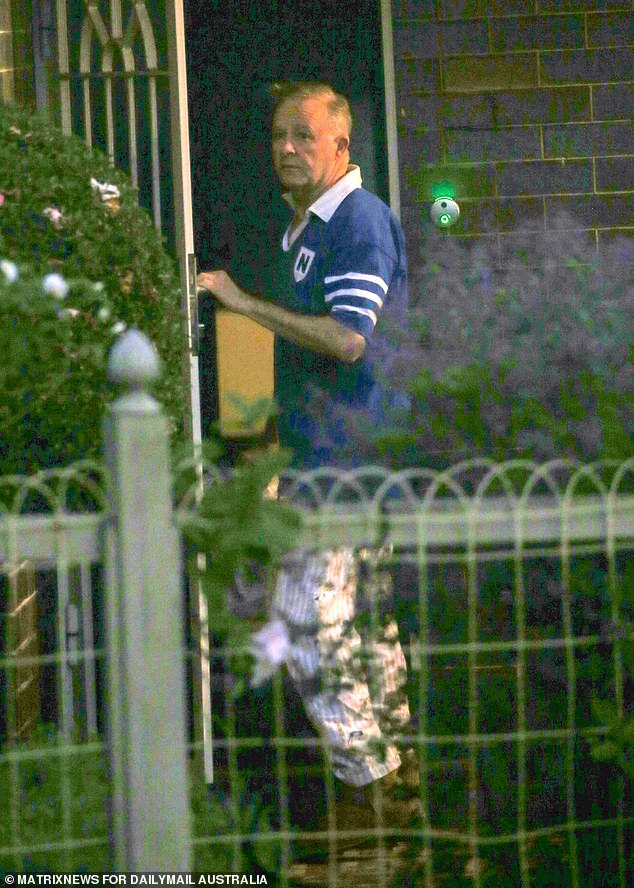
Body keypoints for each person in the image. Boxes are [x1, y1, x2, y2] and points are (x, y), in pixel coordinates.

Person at [197, 80, 419, 854]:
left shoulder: (358, 221)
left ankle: (368, 804)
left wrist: (241, 302)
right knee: (354, 622)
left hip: (351, 466)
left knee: (309, 624)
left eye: (303, 136)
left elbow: (349, 340)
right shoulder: (306, 227)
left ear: (341, 147)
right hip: (321, 461)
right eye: (277, 138)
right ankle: (398, 781)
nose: (286, 150)